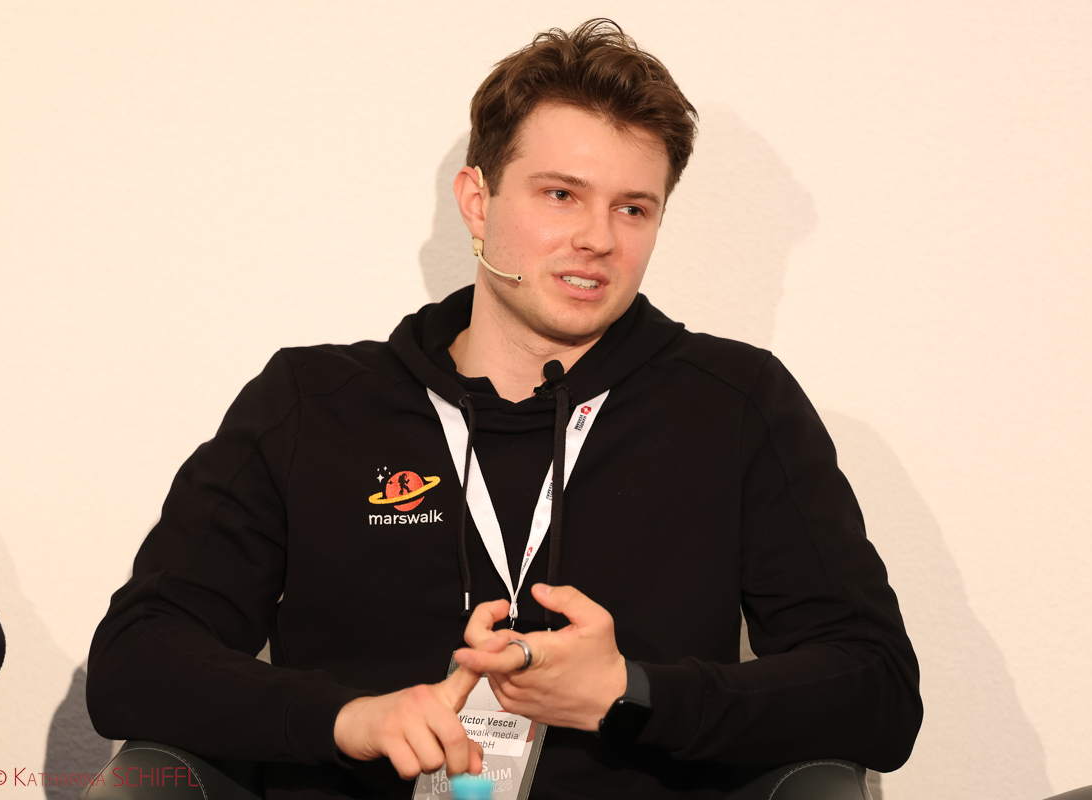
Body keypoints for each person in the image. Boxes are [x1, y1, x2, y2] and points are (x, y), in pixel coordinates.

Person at [87, 19, 922, 799]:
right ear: (478, 202)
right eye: (561, 194)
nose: (598, 238)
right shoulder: (313, 403)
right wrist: (351, 718)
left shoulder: (735, 405)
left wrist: (630, 693)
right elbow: (136, 657)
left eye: (633, 208)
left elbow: (876, 685)